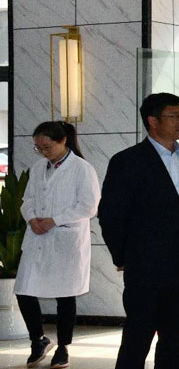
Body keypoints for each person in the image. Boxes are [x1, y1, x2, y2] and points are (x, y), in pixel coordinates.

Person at [99, 92, 179, 369]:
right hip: (145, 266)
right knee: (137, 338)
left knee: (175, 340)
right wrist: (123, 256)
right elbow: (111, 215)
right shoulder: (128, 161)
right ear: (153, 121)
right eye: (174, 116)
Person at [15, 121, 100, 369]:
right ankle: (38, 340)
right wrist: (32, 219)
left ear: (63, 141)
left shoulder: (82, 169)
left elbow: (88, 206)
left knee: (65, 294)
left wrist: (55, 220)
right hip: (37, 237)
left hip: (65, 239)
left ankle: (63, 347)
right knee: (24, 290)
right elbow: (27, 199)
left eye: (47, 147)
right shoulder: (38, 167)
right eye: (38, 148)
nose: (43, 152)